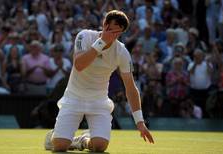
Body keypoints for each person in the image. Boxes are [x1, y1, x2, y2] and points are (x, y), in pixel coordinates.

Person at [45, 10, 154, 152]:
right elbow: (79, 65)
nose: (114, 36)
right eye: (111, 31)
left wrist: (140, 122)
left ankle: (82, 141)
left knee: (99, 146)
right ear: (104, 25)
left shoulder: (121, 52)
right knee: (60, 146)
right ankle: (54, 136)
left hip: (99, 102)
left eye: (118, 33)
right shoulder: (84, 36)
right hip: (73, 97)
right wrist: (101, 42)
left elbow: (130, 87)